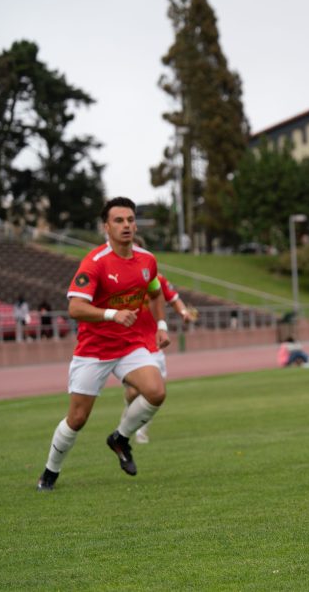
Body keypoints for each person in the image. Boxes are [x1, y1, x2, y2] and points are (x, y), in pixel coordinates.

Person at [36, 197, 167, 491]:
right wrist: (112, 314)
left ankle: (120, 438)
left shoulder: (147, 260)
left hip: (130, 345)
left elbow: (156, 293)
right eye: (119, 220)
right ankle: (49, 473)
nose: (126, 225)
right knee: (78, 418)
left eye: (131, 220)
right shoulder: (95, 263)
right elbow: (75, 308)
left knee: (156, 391)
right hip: (94, 350)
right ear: (106, 226)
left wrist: (161, 325)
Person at [121, 271, 197, 444]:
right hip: (130, 344)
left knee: (155, 391)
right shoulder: (120, 279)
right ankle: (128, 413)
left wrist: (184, 312)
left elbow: (173, 298)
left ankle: (141, 430)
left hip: (154, 344)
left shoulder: (157, 279)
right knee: (134, 391)